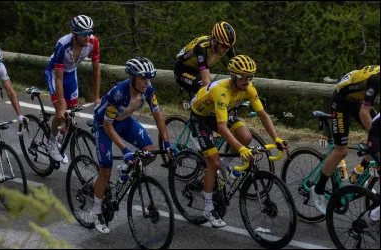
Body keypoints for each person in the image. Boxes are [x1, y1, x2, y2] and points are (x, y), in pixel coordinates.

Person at [189, 55, 289, 228]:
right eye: (243, 77)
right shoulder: (222, 91)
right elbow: (221, 127)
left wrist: (277, 138)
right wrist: (240, 149)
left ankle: (225, 167)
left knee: (246, 137)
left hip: (219, 113)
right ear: (234, 76)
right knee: (213, 161)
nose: (247, 81)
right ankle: (208, 207)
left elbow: (263, 115)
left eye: (250, 77)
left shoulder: (249, 88)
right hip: (201, 117)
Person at [91, 56, 172, 234]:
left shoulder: (148, 89)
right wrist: (125, 150)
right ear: (133, 77)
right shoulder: (119, 93)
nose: (146, 82)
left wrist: (166, 142)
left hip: (124, 121)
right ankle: (96, 212)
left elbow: (158, 115)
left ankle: (125, 171)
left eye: (148, 78)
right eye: (143, 78)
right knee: (105, 170)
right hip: (104, 125)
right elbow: (107, 125)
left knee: (150, 153)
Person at [311, 65, 380, 215]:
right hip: (341, 102)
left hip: (358, 99)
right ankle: (318, 190)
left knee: (375, 137)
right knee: (341, 151)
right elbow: (364, 113)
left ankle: (359, 173)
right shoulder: (376, 80)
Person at [45, 15, 101, 163]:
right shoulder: (62, 45)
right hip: (54, 74)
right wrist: (61, 102)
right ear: (74, 33)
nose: (87, 37)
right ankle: (51, 142)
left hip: (71, 73)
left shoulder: (93, 42)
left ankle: (59, 134)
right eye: (83, 34)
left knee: (72, 112)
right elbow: (58, 78)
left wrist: (96, 97)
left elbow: (96, 71)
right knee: (60, 112)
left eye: (89, 33)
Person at [174, 21, 236, 96]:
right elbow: (206, 82)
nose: (226, 49)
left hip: (197, 71)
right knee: (203, 88)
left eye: (229, 47)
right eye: (224, 46)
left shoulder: (227, 47)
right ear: (215, 41)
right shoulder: (202, 48)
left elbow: (236, 69)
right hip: (182, 69)